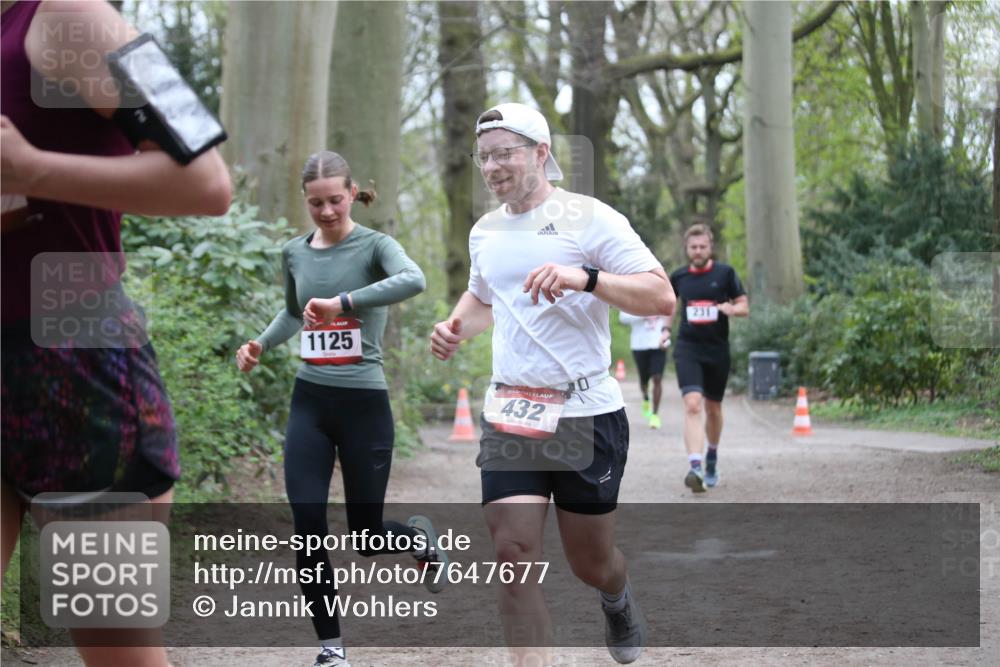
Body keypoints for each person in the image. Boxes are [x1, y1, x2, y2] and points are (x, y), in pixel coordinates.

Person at [1, 1, 231, 666]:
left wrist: (33, 170)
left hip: (75, 362)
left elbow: (208, 180)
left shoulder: (71, 15)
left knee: (118, 654)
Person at [430, 103, 675, 667]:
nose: (492, 167)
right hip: (513, 408)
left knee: (591, 562)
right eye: (483, 157)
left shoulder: (590, 218)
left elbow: (661, 296)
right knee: (513, 553)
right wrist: (454, 327)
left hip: (584, 411)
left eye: (504, 154)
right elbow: (486, 296)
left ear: (542, 152)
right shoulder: (485, 231)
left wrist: (584, 278)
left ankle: (615, 596)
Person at [236, 151, 444, 667]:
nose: (326, 211)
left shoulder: (375, 246)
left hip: (364, 404)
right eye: (315, 203)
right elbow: (292, 313)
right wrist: (260, 343)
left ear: (352, 193)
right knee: (308, 525)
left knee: (367, 537)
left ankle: (417, 537)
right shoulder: (294, 252)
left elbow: (414, 279)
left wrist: (343, 303)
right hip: (310, 400)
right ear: (304, 201)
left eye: (334, 200)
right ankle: (332, 649)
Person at [662, 222, 749, 492]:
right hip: (688, 348)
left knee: (713, 408)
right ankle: (695, 466)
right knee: (692, 405)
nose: (698, 251)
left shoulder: (725, 274)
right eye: (693, 247)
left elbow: (744, 305)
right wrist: (665, 329)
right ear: (687, 249)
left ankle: (711, 455)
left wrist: (731, 309)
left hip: (716, 350)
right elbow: (669, 305)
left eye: (702, 247)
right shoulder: (678, 277)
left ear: (710, 248)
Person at [618, 311, 670, 429]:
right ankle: (646, 398)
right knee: (644, 380)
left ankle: (655, 415)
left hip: (659, 343)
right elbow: (623, 318)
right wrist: (643, 311)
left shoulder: (660, 293)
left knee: (657, 378)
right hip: (639, 344)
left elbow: (670, 311)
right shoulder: (633, 294)